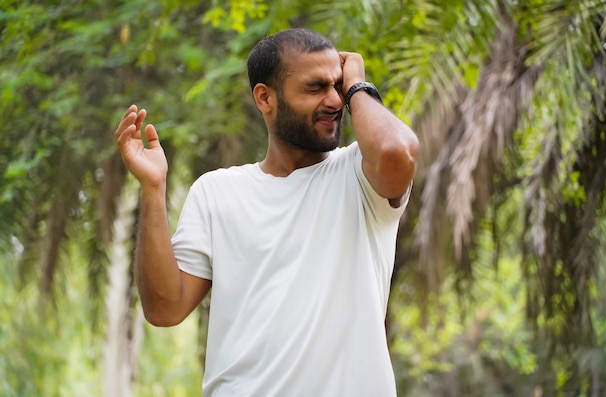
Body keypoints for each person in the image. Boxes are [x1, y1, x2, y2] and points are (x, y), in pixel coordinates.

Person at [115, 28, 420, 397]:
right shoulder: (216, 192)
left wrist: (358, 85)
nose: (335, 101)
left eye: (336, 86)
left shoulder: (360, 175)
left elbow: (396, 151)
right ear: (265, 98)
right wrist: (153, 188)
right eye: (315, 87)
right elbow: (165, 308)